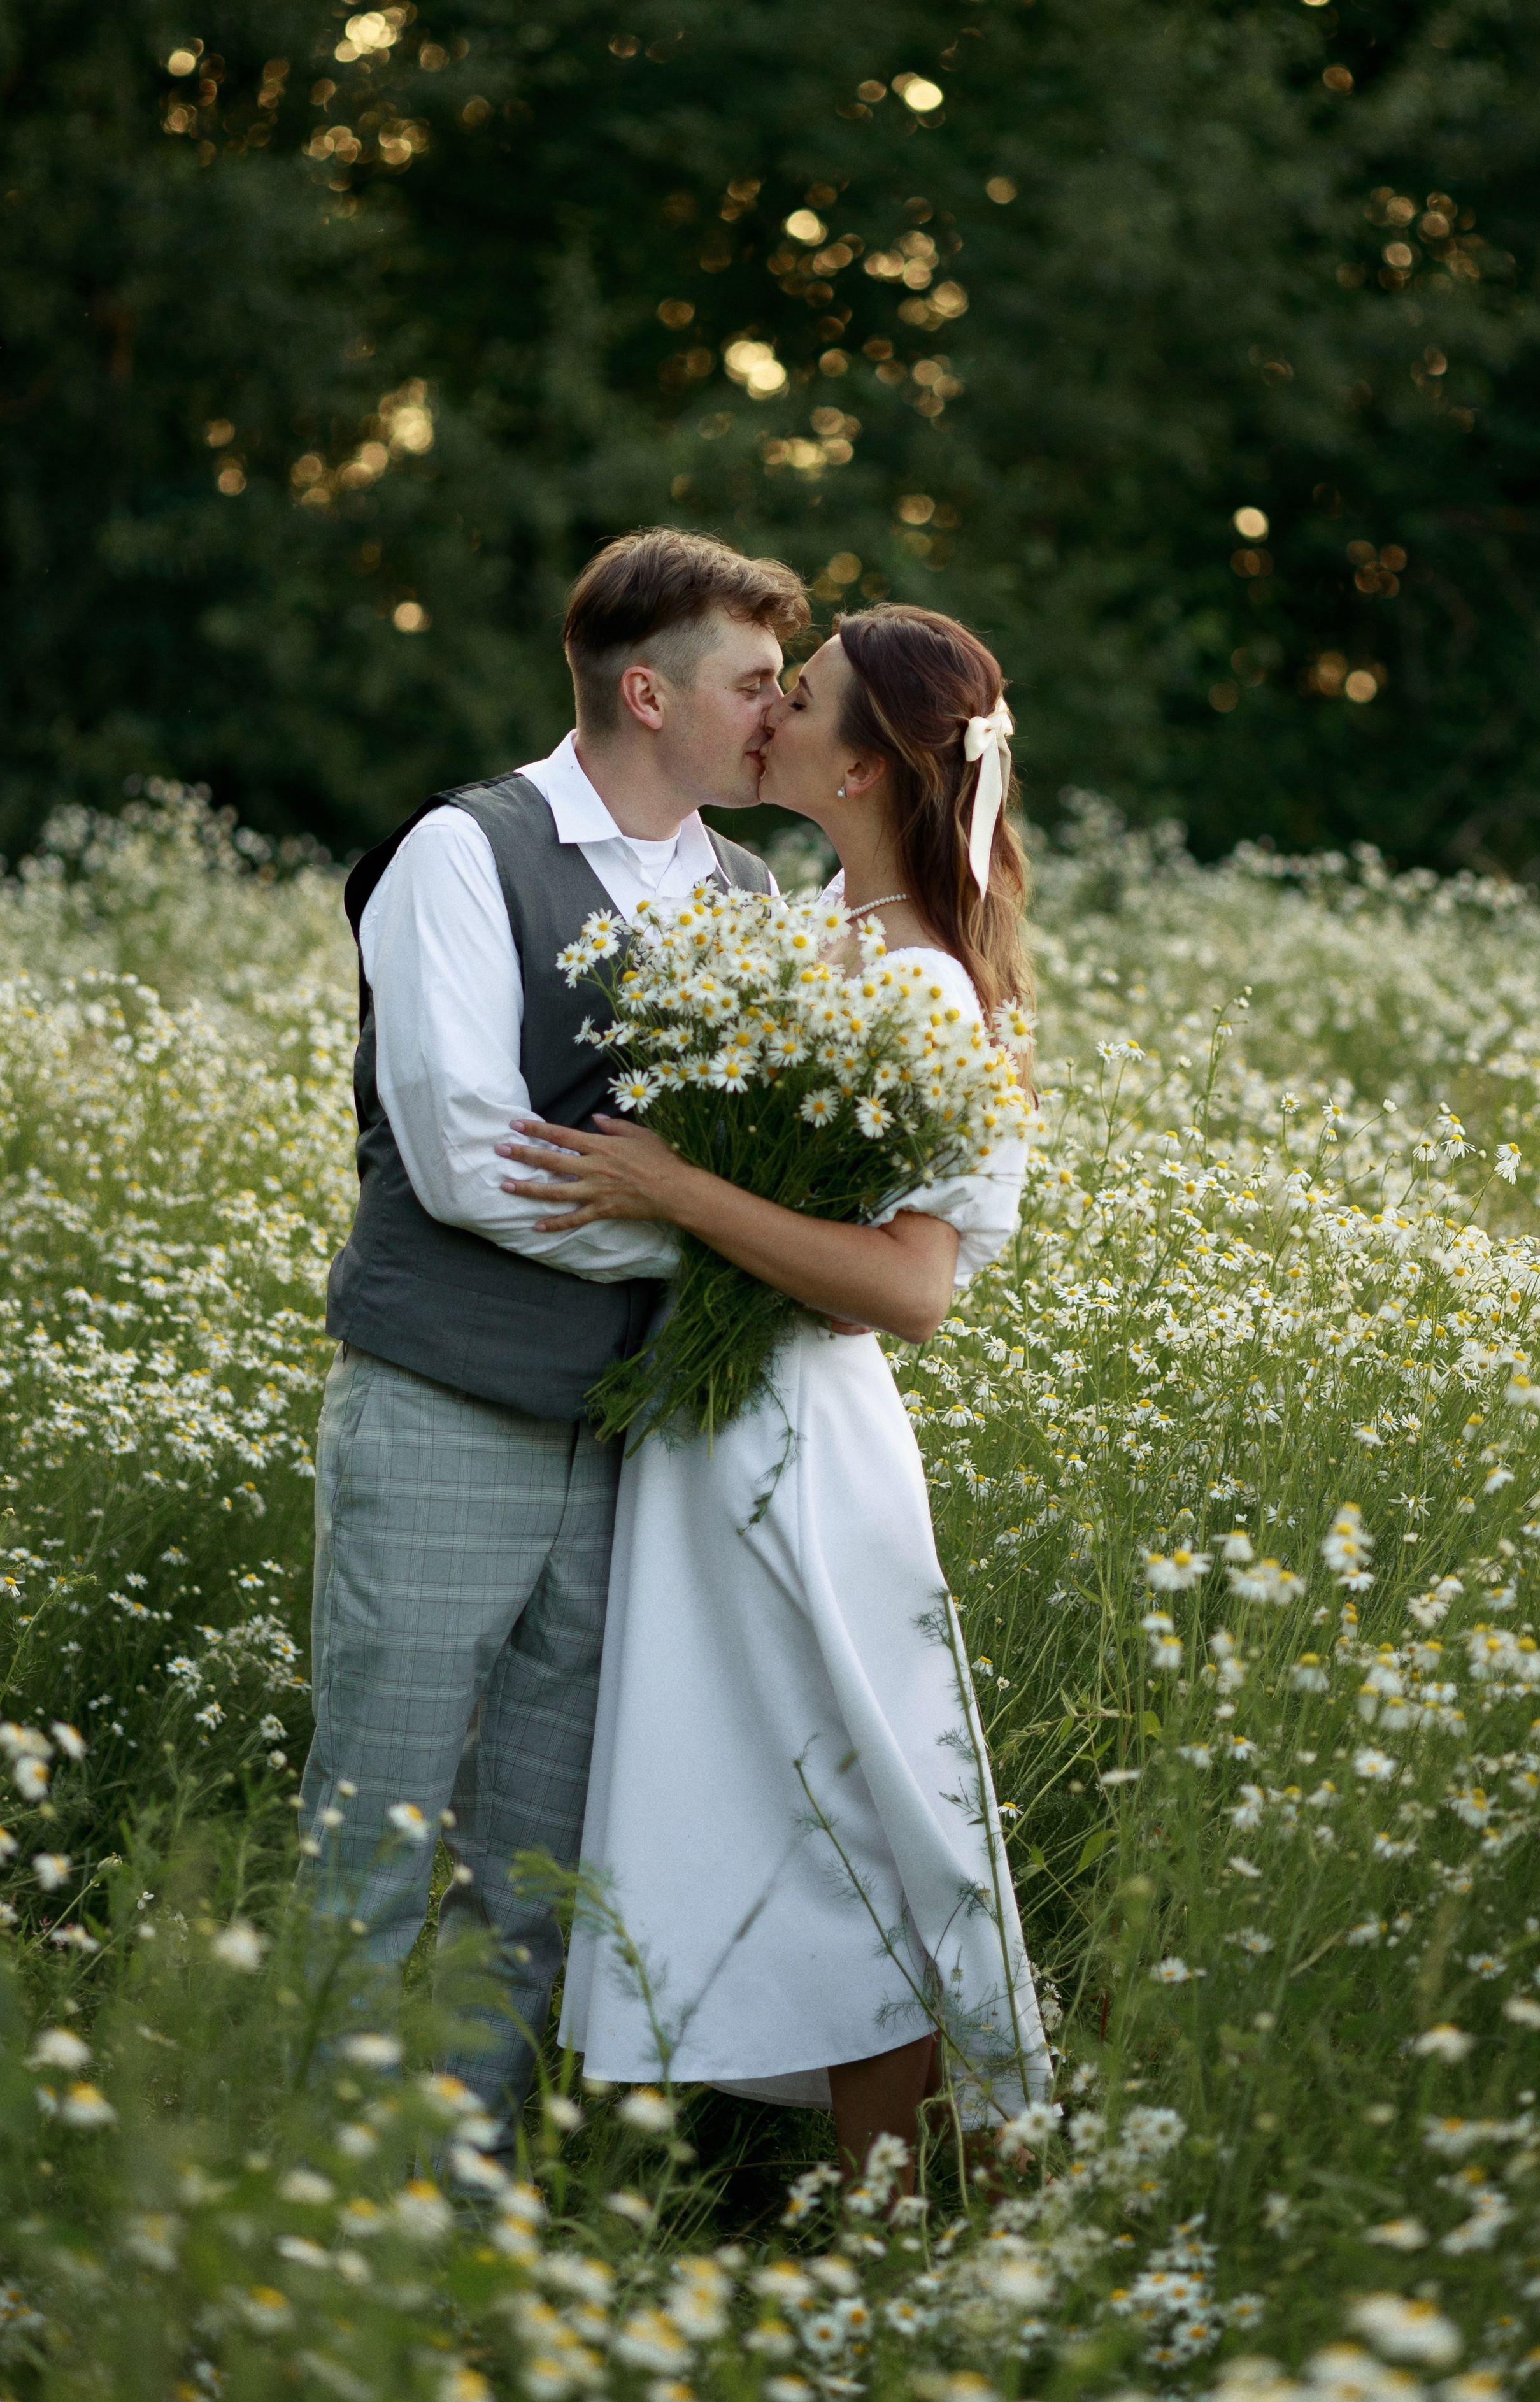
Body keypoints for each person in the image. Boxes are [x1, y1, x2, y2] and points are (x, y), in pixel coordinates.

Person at [502, 604, 1052, 2177]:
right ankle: (871, 2218)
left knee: (858, 1827)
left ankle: (930, 2223)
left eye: (793, 700)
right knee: (780, 1812)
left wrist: (673, 1194)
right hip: (719, 1431)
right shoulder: (814, 929)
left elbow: (907, 1288)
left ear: (866, 764)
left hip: (804, 1446)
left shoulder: (930, 990)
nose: (764, 717)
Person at [299, 529, 809, 2143]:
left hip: (642, 1443)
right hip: (450, 1406)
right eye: (751, 683)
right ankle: (316, 2213)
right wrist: (709, 1228)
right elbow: (468, 1159)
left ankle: (454, 2199)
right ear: (646, 691)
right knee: (373, 1837)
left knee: (536, 1862)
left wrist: (733, 1223)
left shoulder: (748, 889)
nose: (777, 716)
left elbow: (765, 1152)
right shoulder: (464, 851)